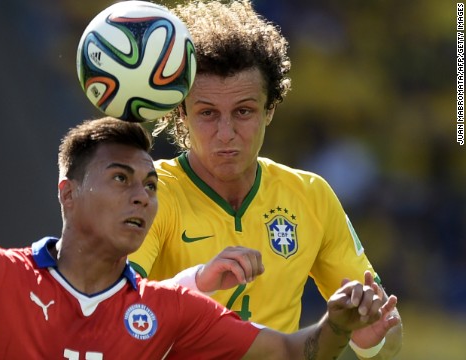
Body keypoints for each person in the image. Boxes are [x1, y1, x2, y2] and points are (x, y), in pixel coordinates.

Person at [0, 117, 397, 359]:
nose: (142, 196)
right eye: (120, 179)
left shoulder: (170, 309)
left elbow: (292, 351)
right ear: (68, 195)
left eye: (148, 184)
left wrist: (336, 324)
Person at [127, 1, 403, 359]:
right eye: (207, 113)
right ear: (182, 114)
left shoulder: (311, 196)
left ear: (270, 109)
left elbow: (389, 341)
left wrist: (373, 339)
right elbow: (118, 312)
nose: (226, 133)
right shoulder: (149, 193)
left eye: (243, 111)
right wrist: (198, 282)